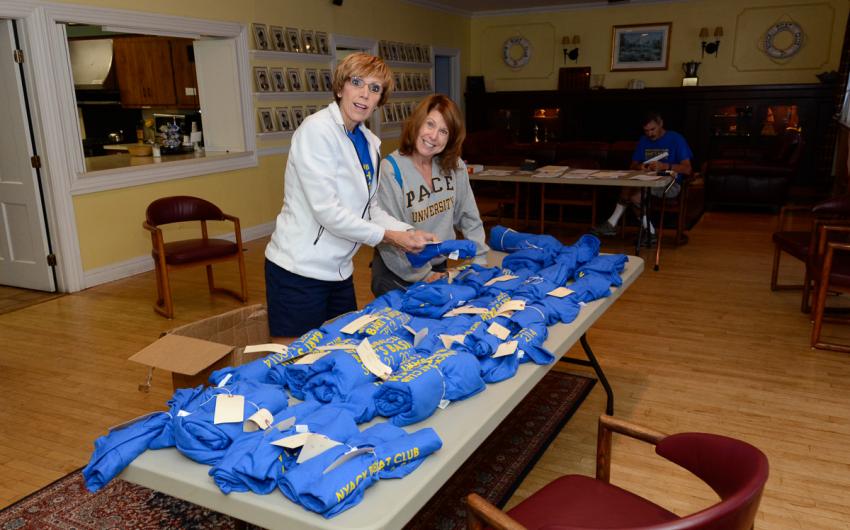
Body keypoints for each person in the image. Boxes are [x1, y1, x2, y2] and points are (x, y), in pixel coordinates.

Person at [264, 52, 434, 340]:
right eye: (357, 82)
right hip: (298, 271)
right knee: (293, 357)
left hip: (340, 271)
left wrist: (408, 232)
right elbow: (327, 212)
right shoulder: (316, 131)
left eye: (375, 88)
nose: (365, 94)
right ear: (341, 87)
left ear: (380, 99)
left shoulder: (368, 142)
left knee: (341, 350)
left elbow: (370, 208)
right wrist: (391, 237)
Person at [371, 94, 489, 297]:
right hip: (398, 272)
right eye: (430, 124)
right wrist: (425, 275)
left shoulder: (455, 166)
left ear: (451, 138)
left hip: (437, 266)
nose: (433, 136)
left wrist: (479, 261)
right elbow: (391, 235)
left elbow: (469, 217)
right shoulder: (390, 170)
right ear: (417, 123)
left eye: (443, 131)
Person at [592, 111, 692, 244]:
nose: (650, 134)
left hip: (670, 183)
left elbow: (687, 169)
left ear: (661, 124)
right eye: (646, 131)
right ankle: (639, 230)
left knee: (634, 195)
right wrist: (641, 167)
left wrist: (664, 166)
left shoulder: (676, 139)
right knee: (629, 188)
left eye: (653, 129)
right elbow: (633, 165)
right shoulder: (643, 140)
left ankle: (617, 225)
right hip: (646, 180)